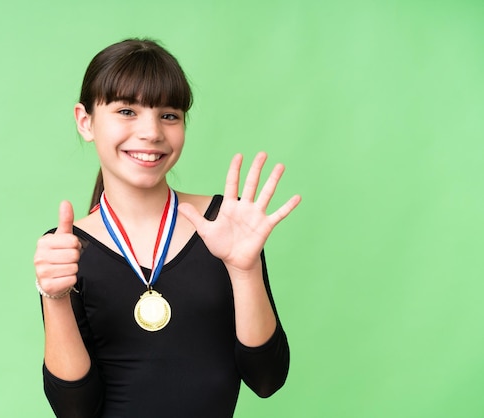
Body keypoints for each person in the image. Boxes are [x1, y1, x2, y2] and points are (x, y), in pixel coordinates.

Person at [33, 38, 301, 418]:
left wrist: (245, 270)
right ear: (85, 121)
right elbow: (75, 410)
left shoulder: (225, 225)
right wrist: (54, 296)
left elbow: (266, 379)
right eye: (127, 111)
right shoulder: (65, 249)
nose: (152, 132)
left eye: (169, 115)